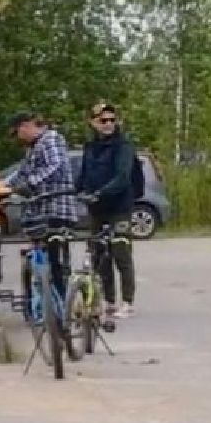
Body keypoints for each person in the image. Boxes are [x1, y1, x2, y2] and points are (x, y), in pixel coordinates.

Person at [8, 113, 86, 297]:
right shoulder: (33, 148)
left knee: (56, 256)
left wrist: (30, 183)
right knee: (43, 253)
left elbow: (56, 166)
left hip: (58, 206)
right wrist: (3, 186)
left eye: (17, 133)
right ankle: (47, 297)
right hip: (41, 208)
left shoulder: (51, 139)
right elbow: (22, 172)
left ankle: (61, 300)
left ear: (26, 126)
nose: (18, 138)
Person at [76, 101, 139, 320]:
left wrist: (101, 192)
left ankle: (128, 302)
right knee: (98, 254)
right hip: (97, 209)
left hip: (119, 207)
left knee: (121, 252)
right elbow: (83, 175)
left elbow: (122, 178)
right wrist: (78, 191)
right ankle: (109, 300)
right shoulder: (90, 147)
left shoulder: (124, 146)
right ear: (93, 123)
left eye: (112, 120)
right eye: (103, 120)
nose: (109, 124)